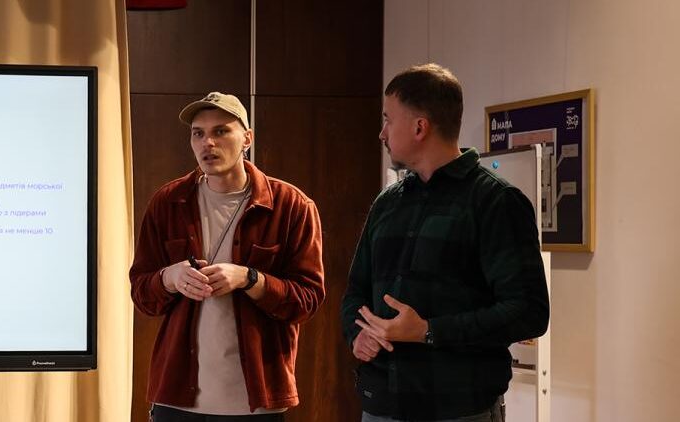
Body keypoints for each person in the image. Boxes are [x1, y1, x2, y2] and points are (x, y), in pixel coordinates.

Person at [341, 63, 550, 422]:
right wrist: (356, 335)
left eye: (388, 120)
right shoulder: (387, 203)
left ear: (419, 127)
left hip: (458, 410)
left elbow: (529, 312)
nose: (381, 133)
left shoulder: (496, 202)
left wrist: (429, 331)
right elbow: (355, 292)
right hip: (382, 405)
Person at [129, 92, 325, 421]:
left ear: (247, 138)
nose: (208, 143)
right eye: (198, 133)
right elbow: (141, 294)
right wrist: (169, 278)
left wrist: (250, 279)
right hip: (177, 399)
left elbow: (307, 300)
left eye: (221, 131)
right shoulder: (167, 202)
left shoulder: (292, 206)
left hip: (255, 401)